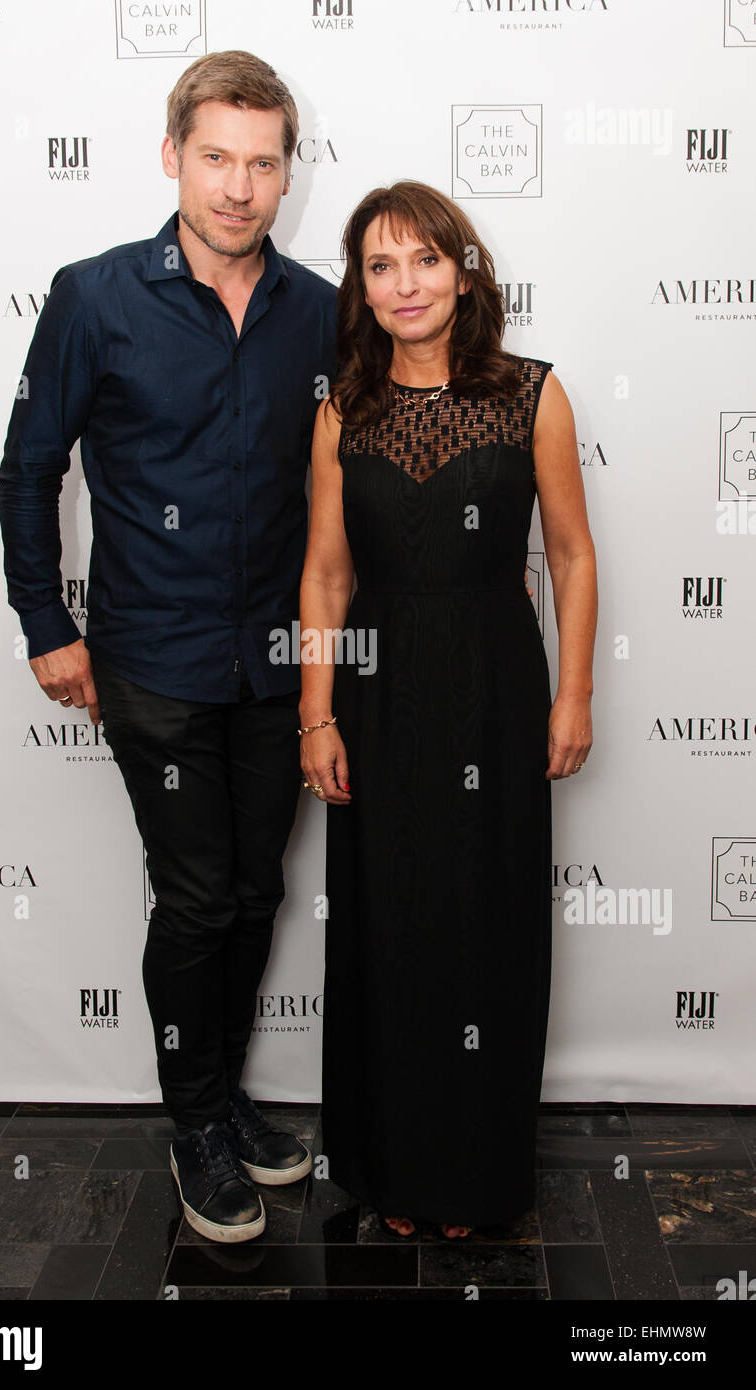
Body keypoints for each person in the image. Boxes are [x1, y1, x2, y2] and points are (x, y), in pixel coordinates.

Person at [0, 51, 337, 1244]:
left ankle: (226, 1096)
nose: (240, 187)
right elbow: (30, 464)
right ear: (170, 156)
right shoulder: (94, 296)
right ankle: (194, 1118)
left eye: (262, 163)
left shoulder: (316, 306)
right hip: (150, 661)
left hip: (277, 662)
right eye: (216, 158)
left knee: (255, 890)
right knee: (196, 900)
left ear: (287, 171)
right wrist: (48, 623)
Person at [298, 180, 597, 1240]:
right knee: (389, 924)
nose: (404, 284)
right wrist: (317, 716)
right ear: (361, 289)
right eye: (380, 266)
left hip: (496, 694)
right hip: (378, 701)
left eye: (424, 259)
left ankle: (471, 1175)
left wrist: (573, 694)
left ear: (462, 271)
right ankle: (392, 1171)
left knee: (484, 924)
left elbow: (566, 553)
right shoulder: (343, 407)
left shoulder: (531, 393)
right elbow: (326, 577)